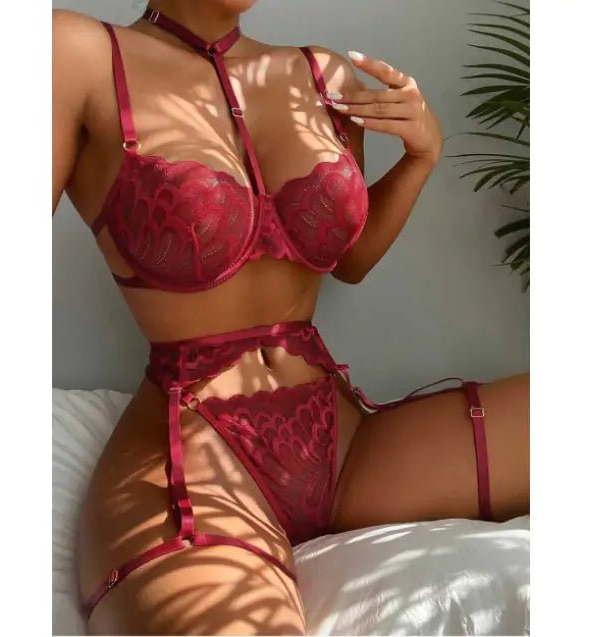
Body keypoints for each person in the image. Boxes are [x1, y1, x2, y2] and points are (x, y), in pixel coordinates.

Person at [52, 1, 530, 634]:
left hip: (346, 442)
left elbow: (349, 262)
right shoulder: (76, 53)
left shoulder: (322, 74)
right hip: (195, 454)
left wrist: (420, 159)